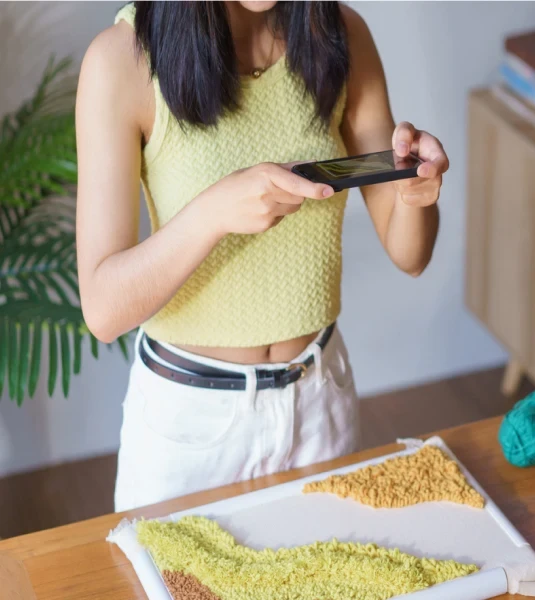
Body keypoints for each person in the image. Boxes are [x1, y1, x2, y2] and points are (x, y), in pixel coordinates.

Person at [75, 1, 447, 512]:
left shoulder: (340, 36)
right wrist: (212, 213)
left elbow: (412, 255)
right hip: (191, 423)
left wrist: (416, 191)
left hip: (320, 401)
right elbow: (102, 308)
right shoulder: (121, 60)